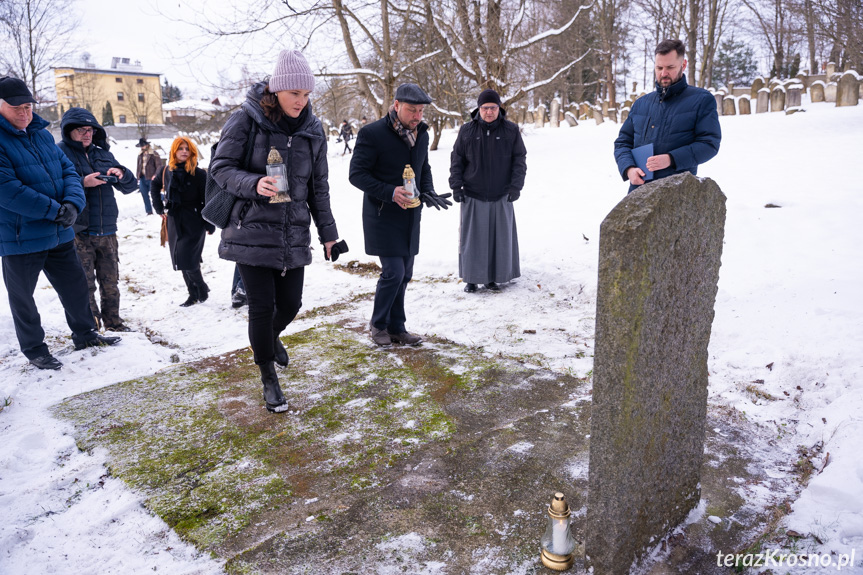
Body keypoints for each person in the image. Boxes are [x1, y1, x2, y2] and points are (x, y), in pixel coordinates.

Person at [209, 49, 342, 413]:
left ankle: (268, 341)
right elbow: (221, 168)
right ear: (276, 89)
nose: (300, 101)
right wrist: (255, 183)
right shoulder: (245, 120)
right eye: (293, 93)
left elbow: (319, 188)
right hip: (250, 228)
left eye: (306, 94)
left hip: (293, 231)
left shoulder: (314, 131)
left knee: (292, 303)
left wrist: (328, 233)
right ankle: (268, 376)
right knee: (262, 308)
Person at [0, 77, 119, 370]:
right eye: (16, 107)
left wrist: (73, 204)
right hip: (20, 237)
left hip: (59, 230)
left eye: (28, 106)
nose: (24, 113)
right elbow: (7, 188)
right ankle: (35, 349)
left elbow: (67, 169)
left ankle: (85, 333)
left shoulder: (40, 134)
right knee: (23, 300)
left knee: (76, 286)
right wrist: (55, 210)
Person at [349, 83, 452, 348]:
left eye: (420, 110)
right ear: (396, 105)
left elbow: (423, 167)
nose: (417, 116)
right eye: (411, 110)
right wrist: (389, 191)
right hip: (382, 214)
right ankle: (379, 325)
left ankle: (397, 327)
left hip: (410, 214)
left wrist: (428, 191)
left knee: (405, 272)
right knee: (393, 272)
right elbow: (357, 175)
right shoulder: (372, 133)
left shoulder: (422, 134)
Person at [57, 107, 138, 332]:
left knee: (110, 281)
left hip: (107, 229)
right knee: (84, 284)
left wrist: (122, 173)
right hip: (79, 230)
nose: (87, 134)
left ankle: (114, 322)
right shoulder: (58, 153)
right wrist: (83, 182)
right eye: (81, 129)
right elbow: (54, 187)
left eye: (91, 129)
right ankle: (91, 327)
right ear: (68, 131)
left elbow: (131, 187)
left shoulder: (103, 153)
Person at [614, 38, 721, 193]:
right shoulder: (641, 104)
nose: (664, 73)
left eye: (670, 67)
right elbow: (623, 143)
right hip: (638, 194)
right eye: (659, 68)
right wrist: (629, 168)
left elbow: (709, 144)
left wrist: (671, 159)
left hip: (677, 193)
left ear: (683, 65)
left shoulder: (702, 100)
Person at [449, 88, 527, 293]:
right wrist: (456, 186)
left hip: (502, 194)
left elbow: (519, 160)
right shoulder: (467, 131)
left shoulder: (510, 130)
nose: (489, 112)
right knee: (473, 239)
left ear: (499, 108)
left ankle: (494, 278)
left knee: (498, 239)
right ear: (478, 109)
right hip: (473, 193)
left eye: (493, 108)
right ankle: (472, 279)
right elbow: (456, 160)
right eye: (485, 108)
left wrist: (516, 186)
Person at [150, 136, 214, 307]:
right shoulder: (166, 170)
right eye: (181, 148)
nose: (184, 152)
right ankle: (192, 294)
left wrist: (209, 222)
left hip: (194, 218)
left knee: (188, 257)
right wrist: (159, 208)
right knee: (179, 257)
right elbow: (154, 185)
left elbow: (207, 198)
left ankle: (201, 286)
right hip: (174, 218)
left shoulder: (199, 173)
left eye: (187, 149)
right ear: (174, 151)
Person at [135, 138, 163, 215]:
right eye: (141, 146)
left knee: (155, 194)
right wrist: (137, 176)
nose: (142, 147)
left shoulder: (154, 154)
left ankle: (166, 199)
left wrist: (155, 175)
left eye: (143, 146)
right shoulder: (140, 155)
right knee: (144, 195)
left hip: (151, 178)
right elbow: (138, 166)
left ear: (147, 145)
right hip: (142, 177)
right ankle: (149, 211)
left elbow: (159, 166)